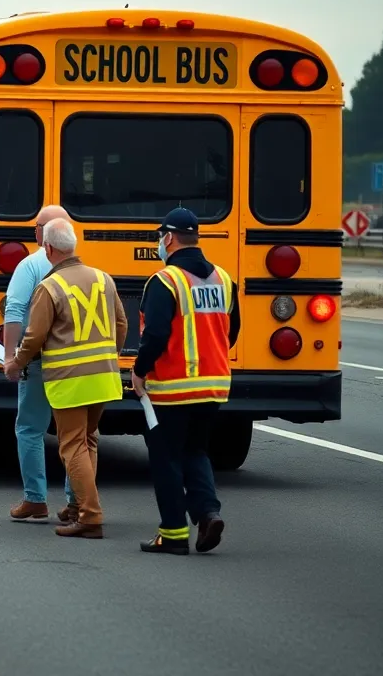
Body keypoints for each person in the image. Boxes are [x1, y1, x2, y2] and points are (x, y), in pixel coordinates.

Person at [6, 219, 126, 538]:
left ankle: (90, 515)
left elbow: (34, 336)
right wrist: (108, 356)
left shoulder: (50, 286)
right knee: (88, 440)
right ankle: (77, 507)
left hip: (70, 379)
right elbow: (122, 323)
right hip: (104, 377)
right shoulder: (104, 279)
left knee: (71, 445)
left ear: (48, 248)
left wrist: (16, 361)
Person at [132, 207, 241, 556]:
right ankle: (208, 514)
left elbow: (156, 333)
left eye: (159, 238)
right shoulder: (224, 279)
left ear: (168, 238)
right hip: (213, 386)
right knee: (195, 450)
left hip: (173, 388)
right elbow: (232, 331)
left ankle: (174, 534)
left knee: (166, 459)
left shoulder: (165, 281)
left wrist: (139, 370)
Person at [3, 204, 79, 525]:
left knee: (30, 428)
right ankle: (76, 500)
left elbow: (15, 311)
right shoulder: (84, 270)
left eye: (36, 226)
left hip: (40, 362)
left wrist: (10, 357)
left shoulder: (30, 266)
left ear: (43, 234)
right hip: (76, 363)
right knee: (74, 434)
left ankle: (36, 499)